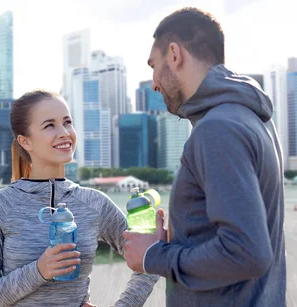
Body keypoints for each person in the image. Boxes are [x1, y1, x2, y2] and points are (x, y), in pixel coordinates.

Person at [122, 7, 286, 307]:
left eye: (153, 65)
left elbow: (247, 252)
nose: (154, 82)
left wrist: (153, 255)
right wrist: (176, 239)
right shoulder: (250, 117)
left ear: (174, 54)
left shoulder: (218, 128)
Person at [0, 89, 159, 307]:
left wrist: (125, 304)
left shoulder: (95, 203)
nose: (64, 132)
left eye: (67, 122)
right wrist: (40, 270)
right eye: (49, 125)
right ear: (25, 141)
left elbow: (150, 259)